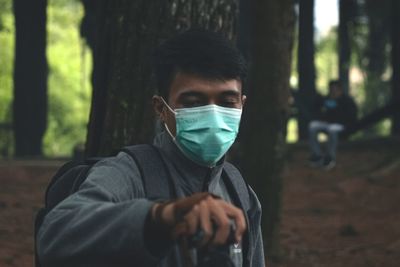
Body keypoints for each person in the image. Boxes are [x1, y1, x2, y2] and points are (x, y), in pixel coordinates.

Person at [37, 29, 264, 267]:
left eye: (227, 102)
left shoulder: (239, 190)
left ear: (242, 104)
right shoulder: (127, 173)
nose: (214, 115)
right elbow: (55, 235)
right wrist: (160, 217)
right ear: (160, 108)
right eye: (193, 103)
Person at [308, 80, 357, 170]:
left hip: (342, 126)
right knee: (312, 126)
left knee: (332, 130)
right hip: (327, 124)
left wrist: (341, 122)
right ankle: (317, 155)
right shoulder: (326, 99)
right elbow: (318, 111)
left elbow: (351, 117)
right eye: (331, 89)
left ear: (340, 90)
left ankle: (330, 157)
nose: (333, 91)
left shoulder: (347, 101)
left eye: (335, 89)